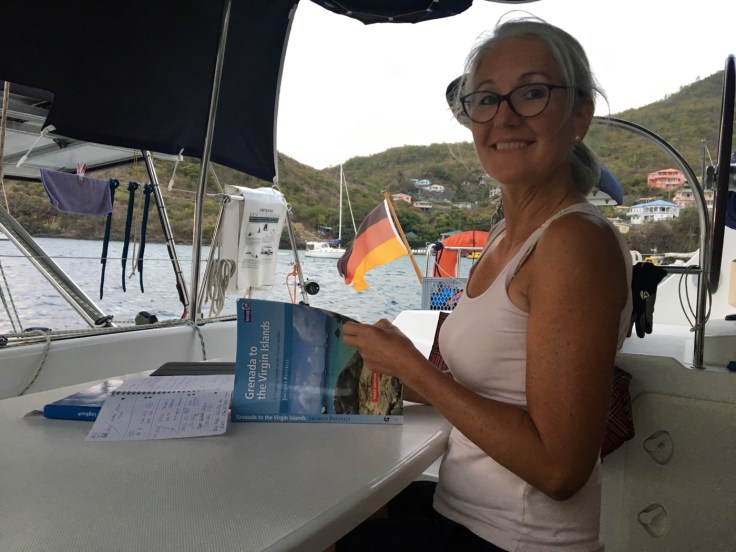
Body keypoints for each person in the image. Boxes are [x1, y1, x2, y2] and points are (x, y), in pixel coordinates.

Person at [337, 16, 632, 552]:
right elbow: (491, 391)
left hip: (517, 540)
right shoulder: (504, 237)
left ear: (579, 116)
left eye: (533, 93)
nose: (504, 117)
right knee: (340, 509)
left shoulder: (574, 243)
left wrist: (414, 370)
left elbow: (560, 470)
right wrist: (392, 369)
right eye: (487, 99)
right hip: (463, 510)